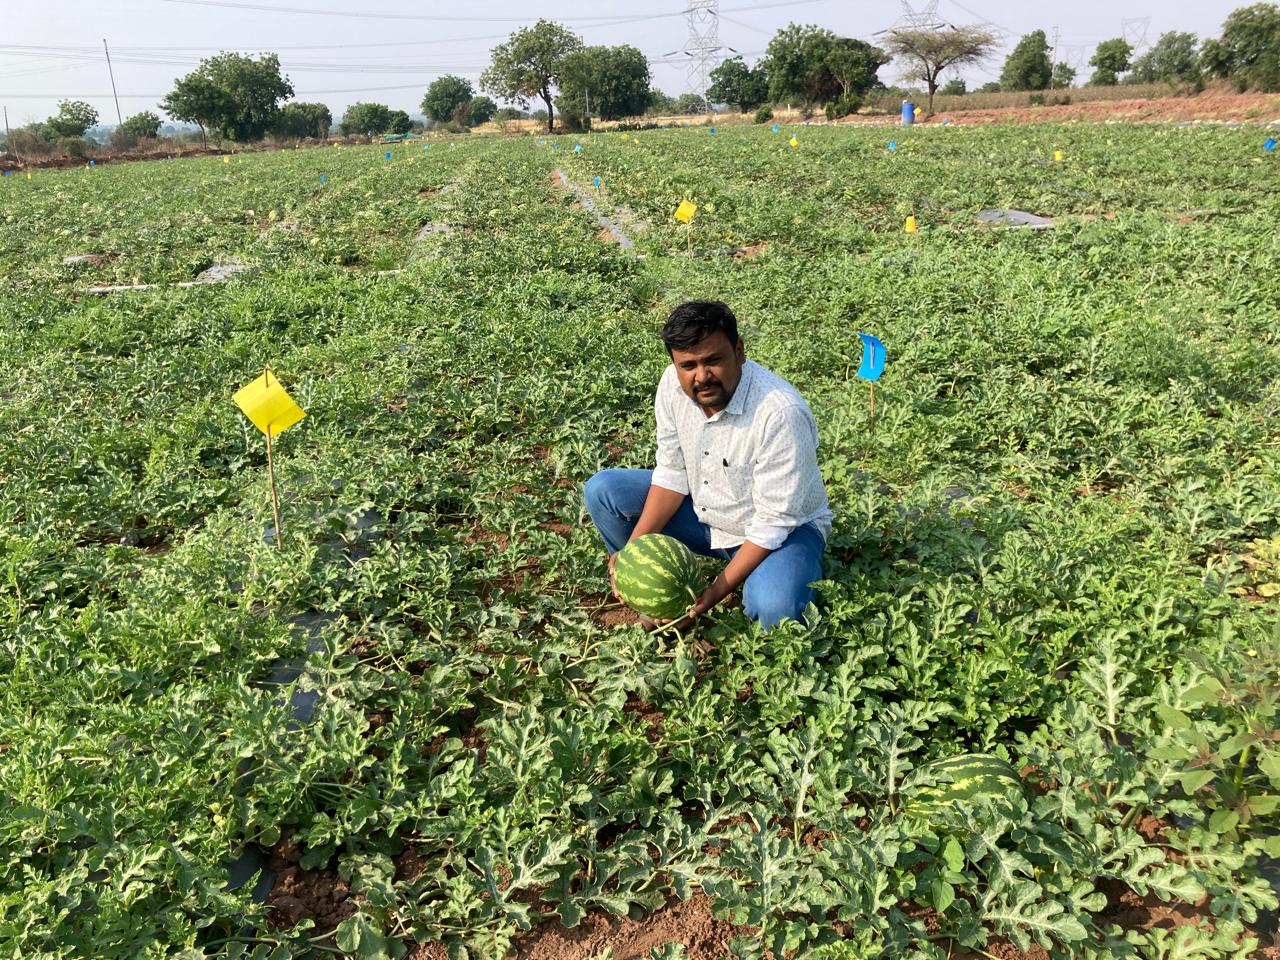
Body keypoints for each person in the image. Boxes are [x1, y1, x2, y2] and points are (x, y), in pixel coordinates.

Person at [584, 300, 832, 631]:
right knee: (604, 491)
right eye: (688, 365)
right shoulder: (672, 385)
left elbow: (774, 522)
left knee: (778, 609)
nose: (702, 377)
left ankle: (760, 579)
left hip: (785, 531)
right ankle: (654, 596)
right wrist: (630, 557)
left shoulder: (779, 414)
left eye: (714, 360)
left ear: (739, 351)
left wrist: (712, 594)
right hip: (708, 514)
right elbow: (671, 475)